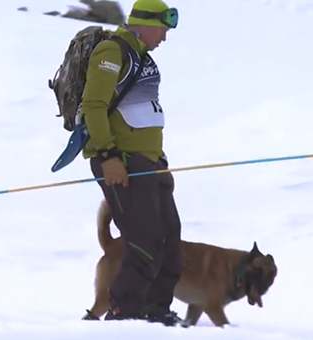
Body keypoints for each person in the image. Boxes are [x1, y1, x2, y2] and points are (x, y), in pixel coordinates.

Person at [79, 0, 183, 326]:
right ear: (145, 23)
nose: (165, 36)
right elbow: (94, 105)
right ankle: (125, 314)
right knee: (144, 237)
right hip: (122, 162)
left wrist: (159, 160)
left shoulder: (142, 57)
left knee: (168, 235)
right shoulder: (113, 52)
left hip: (150, 163)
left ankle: (156, 309)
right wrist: (108, 156)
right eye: (163, 28)